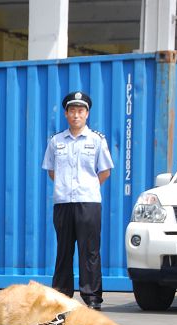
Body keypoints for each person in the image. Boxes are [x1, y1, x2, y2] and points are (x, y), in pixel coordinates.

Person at [42, 91, 113, 310]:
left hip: (88, 202)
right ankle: (61, 295)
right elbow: (51, 170)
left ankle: (92, 297)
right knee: (64, 250)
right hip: (63, 202)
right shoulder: (56, 141)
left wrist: (88, 187)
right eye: (72, 111)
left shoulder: (97, 140)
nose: (76, 115)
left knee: (89, 250)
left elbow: (105, 171)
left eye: (80, 111)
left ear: (87, 114)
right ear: (65, 113)